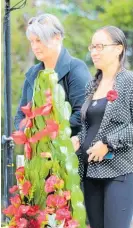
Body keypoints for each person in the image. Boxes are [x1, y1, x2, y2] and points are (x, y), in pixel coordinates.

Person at [71, 26, 133, 228]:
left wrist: (108, 143)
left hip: (119, 172)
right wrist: (78, 140)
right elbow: (88, 126)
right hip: (91, 172)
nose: (94, 52)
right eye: (92, 47)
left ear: (119, 49)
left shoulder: (129, 82)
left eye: (100, 46)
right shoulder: (92, 84)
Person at [14, 14, 91, 136]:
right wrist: (28, 133)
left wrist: (47, 135)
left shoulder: (76, 68)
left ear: (57, 37)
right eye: (32, 41)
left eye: (39, 40)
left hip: (70, 150)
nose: (34, 46)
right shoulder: (32, 74)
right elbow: (20, 115)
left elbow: (82, 113)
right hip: (37, 152)